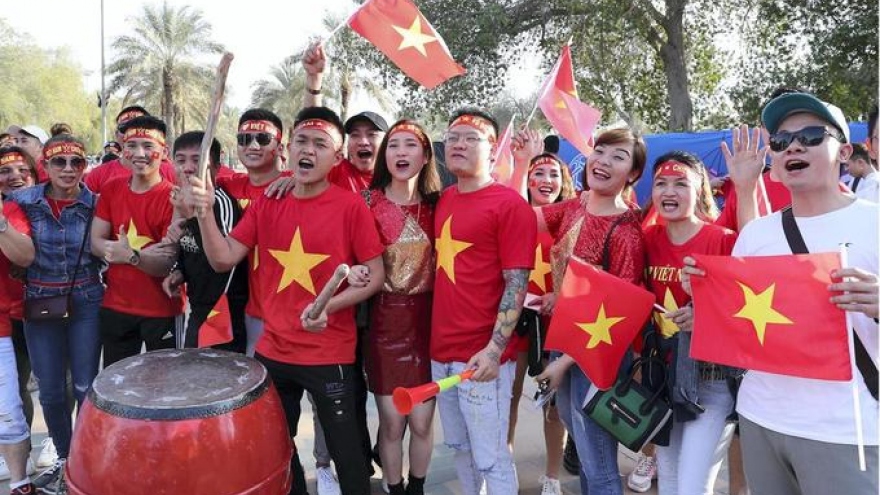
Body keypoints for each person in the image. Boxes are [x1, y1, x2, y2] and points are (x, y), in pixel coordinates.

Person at [685, 91, 879, 494]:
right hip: (761, 419)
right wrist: (703, 298)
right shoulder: (756, 233)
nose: (793, 145)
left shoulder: (873, 222)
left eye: (811, 135)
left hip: (847, 429)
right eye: (780, 140)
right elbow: (740, 320)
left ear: (844, 152)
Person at [185, 106, 385, 495]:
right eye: (302, 142)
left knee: (348, 457)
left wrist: (330, 307)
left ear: (336, 157)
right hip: (272, 351)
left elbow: (375, 275)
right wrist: (206, 213)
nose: (308, 150)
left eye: (320, 144)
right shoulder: (267, 203)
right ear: (288, 149)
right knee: (275, 449)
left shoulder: (350, 207)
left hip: (330, 355)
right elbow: (223, 257)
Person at [536, 127, 647, 495]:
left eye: (618, 156)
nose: (603, 161)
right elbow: (521, 218)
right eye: (600, 151)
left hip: (594, 358)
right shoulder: (573, 206)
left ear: (632, 174)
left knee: (599, 466)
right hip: (563, 344)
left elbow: (621, 309)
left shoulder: (626, 230)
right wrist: (522, 165)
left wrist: (563, 362)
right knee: (585, 456)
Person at [431, 108, 536, 494]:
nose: (458, 144)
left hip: (482, 358)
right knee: (460, 448)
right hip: (439, 352)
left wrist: (494, 350)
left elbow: (517, 284)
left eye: (470, 138)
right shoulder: (443, 200)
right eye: (452, 136)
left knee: (492, 456)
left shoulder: (509, 205)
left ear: (494, 149)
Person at [346, 120, 441, 495]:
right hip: (384, 323)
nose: (401, 153)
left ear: (425, 154)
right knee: (391, 424)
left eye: (410, 145)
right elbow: (345, 252)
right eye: (393, 146)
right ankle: (393, 487)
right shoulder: (366, 202)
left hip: (429, 324)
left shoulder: (440, 206)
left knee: (421, 422)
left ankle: (416, 487)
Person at [643, 151, 745, 495]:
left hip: (711, 381)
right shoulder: (647, 240)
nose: (669, 192)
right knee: (669, 481)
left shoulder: (723, 239)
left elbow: (750, 304)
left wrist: (706, 315)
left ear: (700, 189)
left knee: (692, 487)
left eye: (680, 184)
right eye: (661, 184)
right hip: (664, 379)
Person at [13, 134, 104, 494]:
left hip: (85, 298)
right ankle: (66, 460)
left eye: (76, 163)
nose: (68, 170)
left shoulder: (96, 203)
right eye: (59, 162)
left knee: (85, 386)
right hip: (39, 302)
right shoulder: (22, 202)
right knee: (50, 390)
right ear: (45, 166)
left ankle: (85, 461)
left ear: (84, 166)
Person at [508, 131, 576, 495]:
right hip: (515, 322)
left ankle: (551, 476)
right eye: (538, 173)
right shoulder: (512, 213)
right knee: (510, 397)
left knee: (554, 406)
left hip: (555, 323)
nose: (546, 181)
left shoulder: (569, 219)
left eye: (553, 174)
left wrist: (558, 294)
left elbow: (582, 270)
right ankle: (501, 469)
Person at [90, 115, 180, 366]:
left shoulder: (173, 197)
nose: (139, 153)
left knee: (165, 391)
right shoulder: (111, 188)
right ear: (122, 150)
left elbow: (166, 262)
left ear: (164, 151)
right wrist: (115, 250)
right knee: (117, 388)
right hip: (116, 307)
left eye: (148, 146)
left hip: (162, 310)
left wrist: (130, 256)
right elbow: (95, 241)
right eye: (132, 145)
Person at [161, 131, 247, 352]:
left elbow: (223, 262)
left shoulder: (221, 202)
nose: (188, 167)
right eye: (180, 160)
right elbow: (188, 248)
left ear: (216, 168)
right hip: (197, 308)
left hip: (224, 313)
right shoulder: (180, 198)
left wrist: (193, 218)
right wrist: (178, 272)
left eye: (197, 160)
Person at [217, 108, 287, 357]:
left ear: (280, 147)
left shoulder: (296, 185)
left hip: (290, 308)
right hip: (247, 309)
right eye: (244, 139)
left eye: (263, 139)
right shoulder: (227, 185)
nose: (252, 146)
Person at [0, 147, 37, 495]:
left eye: (21, 169)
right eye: (5, 170)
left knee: (60, 385)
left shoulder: (15, 210)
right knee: (14, 393)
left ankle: (56, 448)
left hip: (44, 314)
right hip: (9, 317)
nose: (14, 176)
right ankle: (18, 469)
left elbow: (24, 256)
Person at [84, 106, 176, 193]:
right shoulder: (97, 175)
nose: (132, 133)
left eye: (140, 127)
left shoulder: (172, 173)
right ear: (116, 135)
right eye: (125, 129)